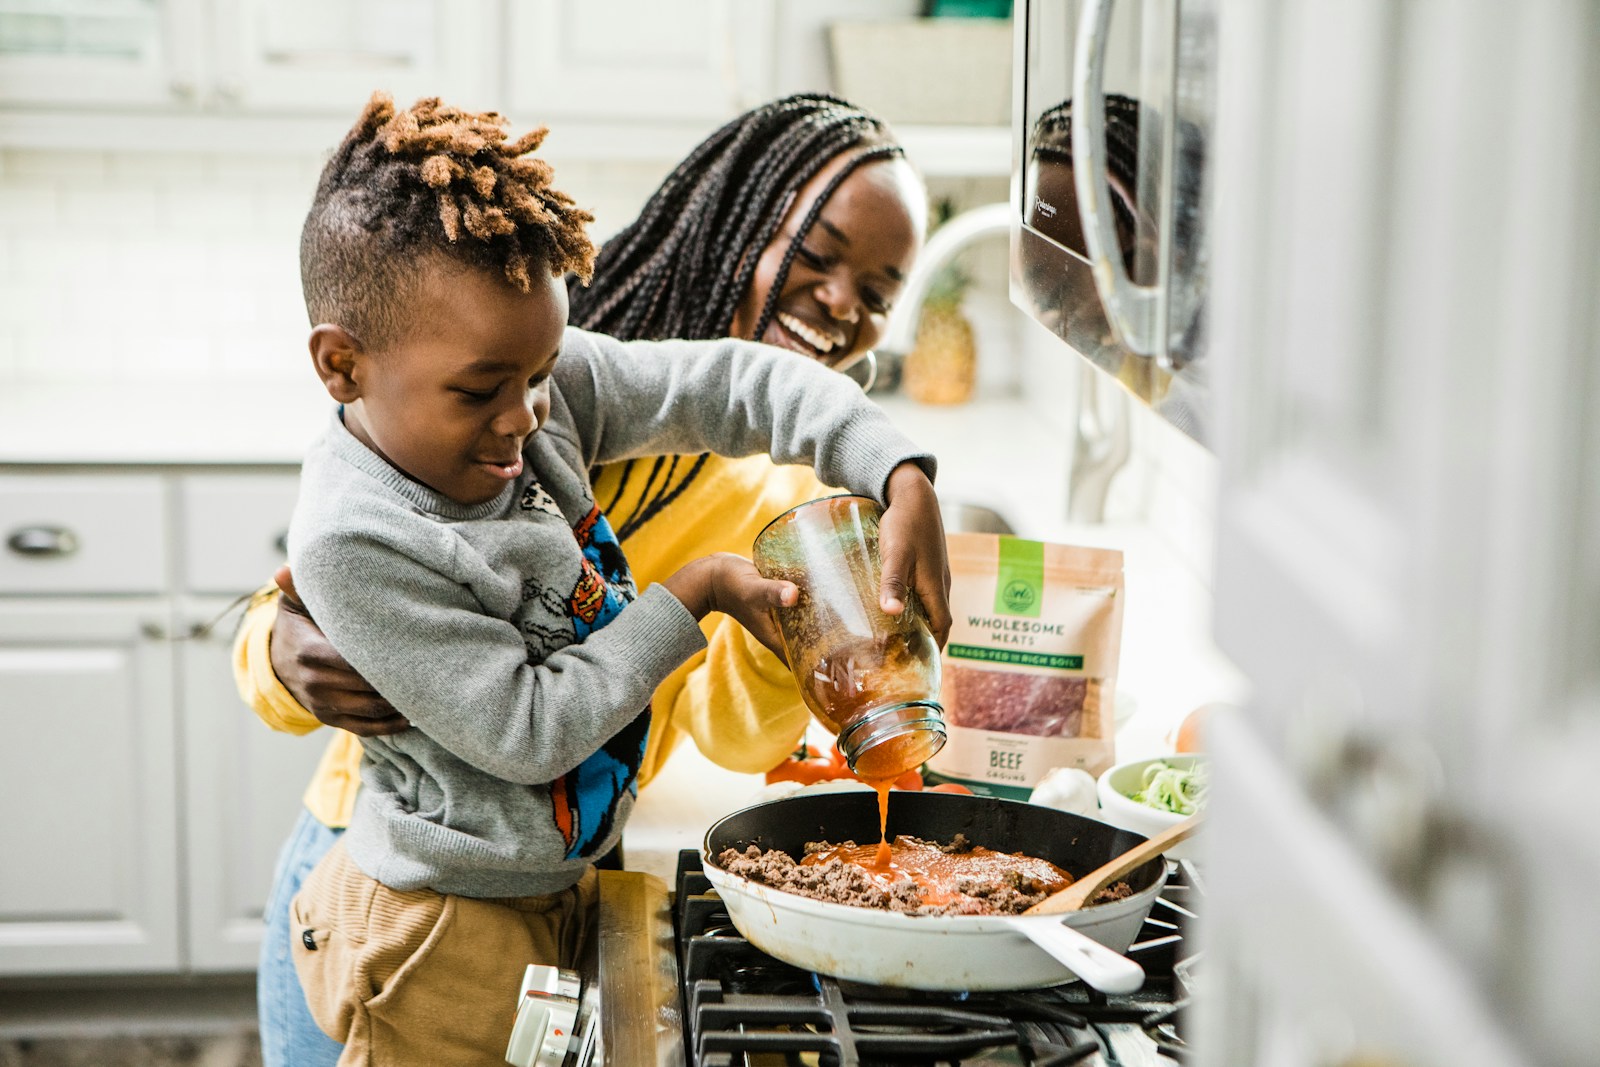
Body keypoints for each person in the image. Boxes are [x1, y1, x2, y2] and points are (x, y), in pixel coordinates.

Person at [236, 93, 928, 1067]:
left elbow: (740, 729)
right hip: (420, 904)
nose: (841, 301)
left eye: (879, 289)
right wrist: (276, 648)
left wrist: (890, 469)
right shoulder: (478, 346)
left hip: (559, 876)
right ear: (724, 218)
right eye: (815, 258)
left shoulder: (540, 373)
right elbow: (507, 716)